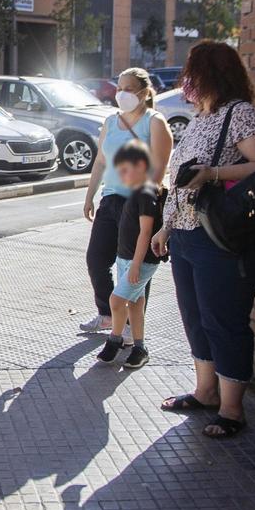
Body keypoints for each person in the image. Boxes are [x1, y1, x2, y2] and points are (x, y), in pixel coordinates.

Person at [150, 41, 255, 439]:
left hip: (221, 238)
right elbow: (180, 183)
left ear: (211, 74)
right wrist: (166, 226)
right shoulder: (199, 117)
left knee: (224, 321)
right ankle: (205, 392)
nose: (185, 82)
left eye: (192, 72)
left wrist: (214, 172)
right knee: (196, 318)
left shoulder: (240, 114)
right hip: (187, 235)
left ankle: (232, 409)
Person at [81, 67, 173, 339]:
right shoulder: (111, 121)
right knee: (97, 259)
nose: (121, 94)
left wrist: (147, 204)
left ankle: (134, 328)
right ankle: (108, 314)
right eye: (119, 88)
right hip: (110, 200)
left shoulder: (154, 122)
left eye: (128, 89)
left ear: (144, 93)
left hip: (138, 204)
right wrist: (90, 196)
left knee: (134, 266)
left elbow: (159, 168)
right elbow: (100, 161)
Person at [97, 140, 162, 369]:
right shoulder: (134, 192)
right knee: (135, 304)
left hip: (140, 261)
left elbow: (146, 232)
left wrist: (135, 264)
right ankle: (139, 347)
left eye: (125, 170)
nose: (122, 175)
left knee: (115, 300)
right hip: (127, 258)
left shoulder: (146, 193)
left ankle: (115, 340)